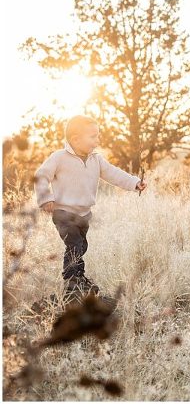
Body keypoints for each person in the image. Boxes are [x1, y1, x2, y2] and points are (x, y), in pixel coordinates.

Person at [34, 115, 147, 296]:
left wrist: (134, 183)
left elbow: (114, 174)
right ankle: (72, 282)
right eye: (93, 136)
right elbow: (41, 176)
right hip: (63, 212)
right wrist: (45, 198)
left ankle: (78, 277)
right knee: (74, 245)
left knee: (82, 246)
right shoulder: (59, 157)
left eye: (97, 136)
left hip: (85, 214)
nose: (97, 140)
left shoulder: (96, 159)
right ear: (75, 139)